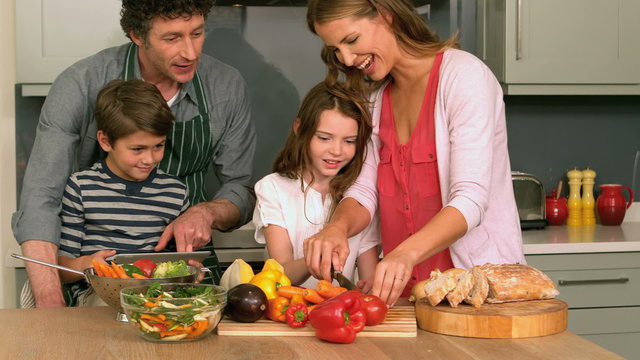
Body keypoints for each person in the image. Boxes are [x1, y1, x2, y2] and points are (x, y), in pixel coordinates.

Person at [12, 0, 256, 308]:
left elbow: (241, 189)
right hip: (99, 278)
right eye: (171, 38)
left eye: (197, 33)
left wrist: (206, 212)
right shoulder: (80, 83)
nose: (191, 53)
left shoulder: (226, 86)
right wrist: (50, 299)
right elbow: (40, 199)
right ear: (137, 35)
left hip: (179, 271)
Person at [304, 0, 525, 305]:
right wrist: (336, 228)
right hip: (409, 295)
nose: (347, 58)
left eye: (351, 41)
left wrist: (404, 253)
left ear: (386, 14)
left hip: (478, 293)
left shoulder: (464, 77)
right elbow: (365, 189)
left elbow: (470, 199)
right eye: (336, 50)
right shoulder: (377, 99)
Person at [56, 79, 189, 305]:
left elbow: (179, 262)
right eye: (137, 149)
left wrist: (187, 269)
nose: (150, 159)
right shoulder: (81, 187)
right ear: (106, 141)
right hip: (98, 296)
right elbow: (61, 269)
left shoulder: (175, 191)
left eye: (159, 146)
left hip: (156, 295)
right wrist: (84, 264)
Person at [252, 82, 379, 290]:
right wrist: (321, 254)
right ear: (299, 129)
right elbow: (281, 275)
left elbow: (369, 277)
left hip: (340, 314)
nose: (337, 151)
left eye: (349, 141)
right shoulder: (272, 188)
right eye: (324, 138)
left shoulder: (360, 198)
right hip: (287, 312)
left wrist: (369, 287)